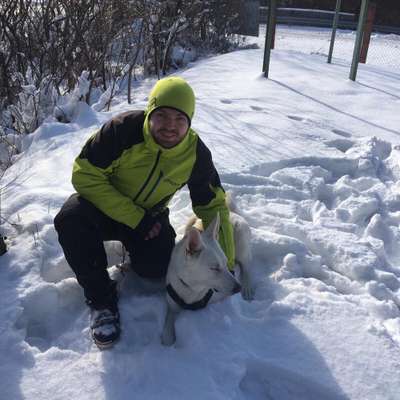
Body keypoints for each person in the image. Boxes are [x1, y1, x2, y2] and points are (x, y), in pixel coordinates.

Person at [54, 76, 235, 348]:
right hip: (104, 207)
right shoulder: (122, 130)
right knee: (70, 219)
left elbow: (213, 206)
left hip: (150, 218)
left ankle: (129, 253)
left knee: (157, 268)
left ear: (190, 122)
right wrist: (135, 218)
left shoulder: (195, 155)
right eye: (161, 115)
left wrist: (225, 263)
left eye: (179, 119)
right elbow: (84, 175)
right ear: (150, 113)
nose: (170, 126)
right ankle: (102, 302)